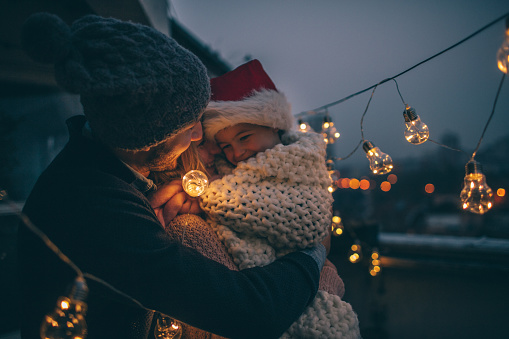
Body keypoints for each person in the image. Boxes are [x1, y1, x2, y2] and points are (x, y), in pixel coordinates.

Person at [18, 13, 331, 339]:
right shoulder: (90, 204)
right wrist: (314, 253)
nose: (199, 136)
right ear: (148, 137)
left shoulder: (116, 172)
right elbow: (249, 312)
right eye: (188, 126)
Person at [199, 59, 361, 338]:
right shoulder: (216, 178)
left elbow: (311, 224)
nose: (236, 153)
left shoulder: (305, 166)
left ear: (272, 125)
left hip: (300, 300)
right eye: (225, 145)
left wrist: (209, 197)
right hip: (263, 307)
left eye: (244, 137)